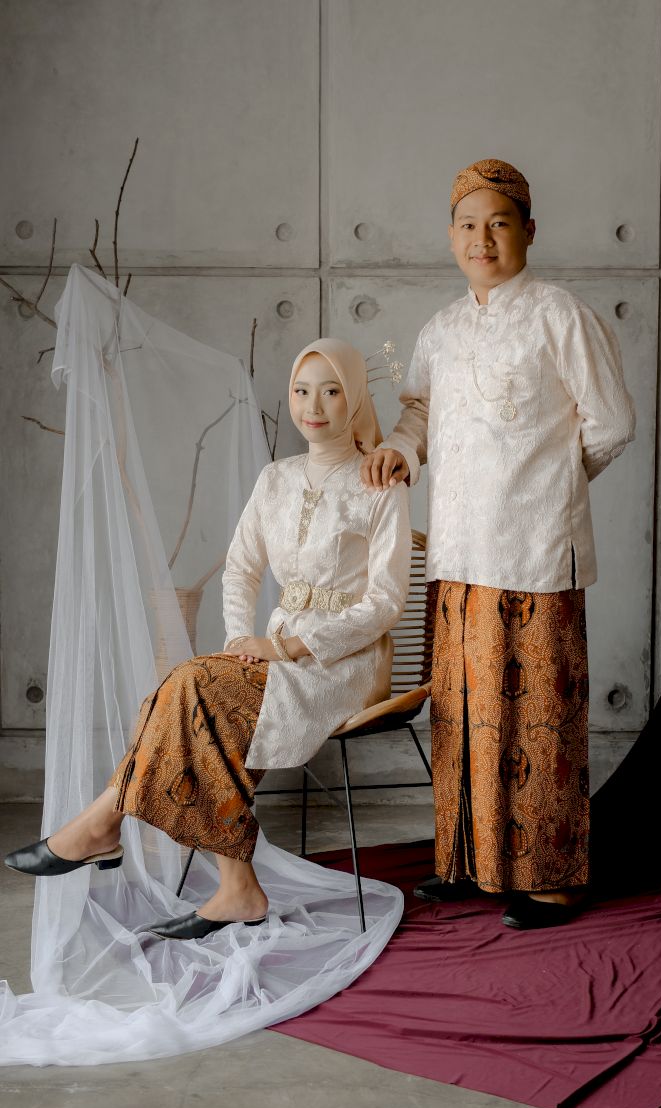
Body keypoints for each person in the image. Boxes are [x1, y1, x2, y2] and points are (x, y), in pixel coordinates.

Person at [5, 338, 411, 940]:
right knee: (192, 692)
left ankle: (106, 825)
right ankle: (227, 883)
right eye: (301, 390)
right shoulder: (275, 479)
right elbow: (241, 567)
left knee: (189, 687)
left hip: (343, 663)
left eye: (331, 391)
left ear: (353, 398)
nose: (313, 406)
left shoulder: (381, 484)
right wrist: (241, 636)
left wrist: (289, 648)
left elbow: (385, 603)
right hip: (270, 653)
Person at [361, 159, 635, 929]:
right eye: (468, 225)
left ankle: (551, 879)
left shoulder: (561, 315)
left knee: (536, 716)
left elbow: (613, 422)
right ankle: (471, 863)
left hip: (537, 553)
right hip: (458, 552)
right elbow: (419, 411)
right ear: (451, 235)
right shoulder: (441, 330)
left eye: (499, 224)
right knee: (463, 713)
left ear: (529, 232)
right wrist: (401, 450)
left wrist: (552, 484)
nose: (482, 239)